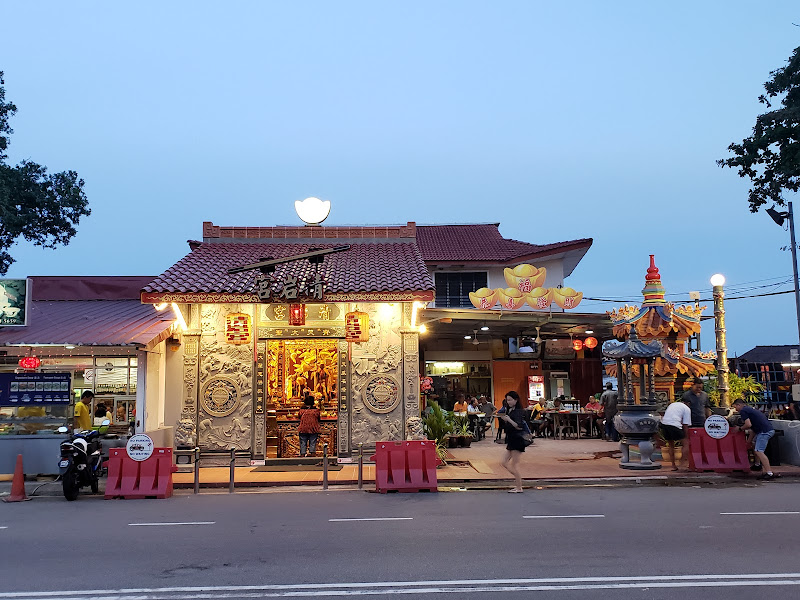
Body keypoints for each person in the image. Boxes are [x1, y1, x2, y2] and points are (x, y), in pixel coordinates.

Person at [733, 398, 776, 480]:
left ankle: (769, 473)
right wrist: (748, 442)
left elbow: (748, 425)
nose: (736, 410)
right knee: (754, 444)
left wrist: (740, 429)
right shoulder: (750, 409)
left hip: (764, 432)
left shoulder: (743, 411)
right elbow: (753, 430)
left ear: (739, 405)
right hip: (765, 430)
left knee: (759, 451)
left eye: (735, 407)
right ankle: (757, 465)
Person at [496, 391, 528, 493]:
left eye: (510, 400)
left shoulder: (518, 411)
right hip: (511, 439)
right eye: (507, 400)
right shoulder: (510, 410)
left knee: (514, 464)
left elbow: (518, 426)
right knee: (504, 463)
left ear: (516, 400)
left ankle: (519, 487)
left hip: (517, 440)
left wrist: (508, 419)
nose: (508, 402)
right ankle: (518, 484)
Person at [658, 397, 692, 471]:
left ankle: (673, 465)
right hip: (674, 425)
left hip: (664, 424)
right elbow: (685, 425)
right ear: (688, 404)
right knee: (686, 443)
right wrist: (686, 436)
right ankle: (682, 464)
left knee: (671, 445)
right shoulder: (686, 409)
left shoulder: (673, 404)